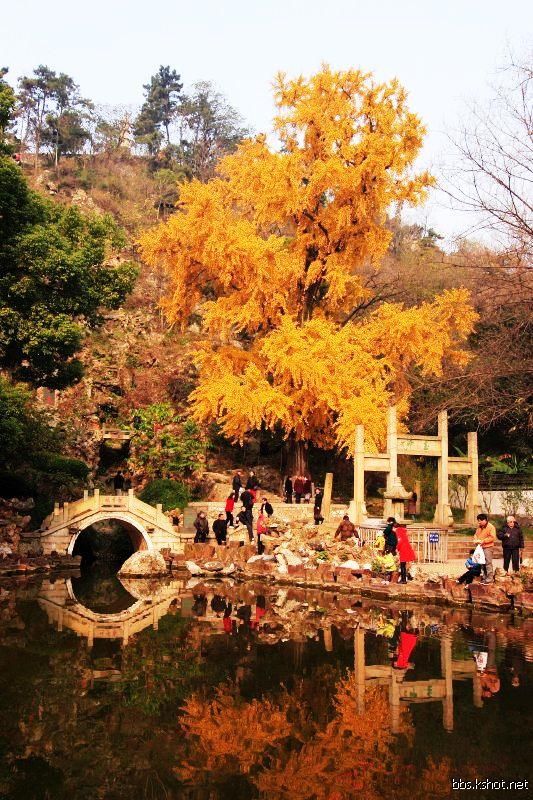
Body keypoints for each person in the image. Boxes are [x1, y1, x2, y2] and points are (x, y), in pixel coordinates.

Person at [474, 513, 497, 584]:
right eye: (478, 521)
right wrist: (475, 539)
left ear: (485, 520)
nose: (479, 522)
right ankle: (485, 577)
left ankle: (490, 579)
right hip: (481, 547)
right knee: (482, 563)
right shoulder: (479, 527)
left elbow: (492, 537)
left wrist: (483, 541)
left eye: (480, 520)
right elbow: (476, 534)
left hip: (488, 547)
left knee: (488, 563)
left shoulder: (491, 527)